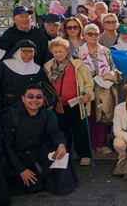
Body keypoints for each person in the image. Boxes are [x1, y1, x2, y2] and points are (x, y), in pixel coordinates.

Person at [1, 84, 78, 195]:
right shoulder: (10, 117)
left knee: (62, 153)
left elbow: (55, 132)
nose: (35, 100)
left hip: (37, 154)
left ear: (43, 99)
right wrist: (21, 170)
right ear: (23, 98)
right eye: (30, 97)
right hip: (17, 159)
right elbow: (6, 146)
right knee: (32, 187)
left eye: (38, 97)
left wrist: (61, 144)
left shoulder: (46, 114)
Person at [44, 37, 95, 165]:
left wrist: (88, 94)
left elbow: (89, 82)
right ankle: (66, 155)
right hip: (58, 105)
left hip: (77, 103)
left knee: (80, 130)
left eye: (61, 51)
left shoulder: (77, 63)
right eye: (55, 52)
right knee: (62, 130)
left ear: (67, 51)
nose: (58, 54)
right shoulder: (48, 66)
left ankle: (85, 155)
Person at [78, 24, 121, 158]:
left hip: (103, 88)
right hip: (87, 88)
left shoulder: (105, 51)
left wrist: (110, 75)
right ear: (84, 36)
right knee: (89, 117)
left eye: (96, 34)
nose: (93, 37)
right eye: (89, 34)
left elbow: (113, 67)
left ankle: (102, 143)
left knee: (102, 116)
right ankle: (91, 145)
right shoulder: (78, 52)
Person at [0, 39, 48, 113]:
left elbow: (45, 89)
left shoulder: (38, 70)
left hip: (31, 110)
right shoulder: (3, 67)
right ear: (17, 52)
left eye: (31, 51)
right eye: (25, 51)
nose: (29, 54)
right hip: (7, 108)